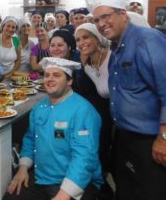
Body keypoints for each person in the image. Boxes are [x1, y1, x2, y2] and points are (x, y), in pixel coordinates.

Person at [86, 0, 166, 200]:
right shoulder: (116, 48)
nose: (101, 24)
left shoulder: (147, 40)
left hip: (149, 141)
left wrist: (164, 137)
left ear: (123, 13)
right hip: (124, 137)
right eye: (96, 20)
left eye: (106, 16)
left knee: (149, 193)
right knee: (126, 190)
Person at [4, 57, 103, 200]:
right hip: (42, 177)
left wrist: (64, 194)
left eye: (56, 75)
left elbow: (85, 157)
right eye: (47, 75)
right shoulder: (40, 107)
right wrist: (23, 168)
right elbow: (30, 138)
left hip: (74, 181)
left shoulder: (83, 110)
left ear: (69, 81)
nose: (49, 79)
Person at [74, 23, 114, 199]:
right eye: (78, 39)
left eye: (86, 37)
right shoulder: (87, 62)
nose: (82, 42)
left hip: (114, 116)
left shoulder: (112, 57)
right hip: (96, 114)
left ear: (97, 37)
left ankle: (102, 189)